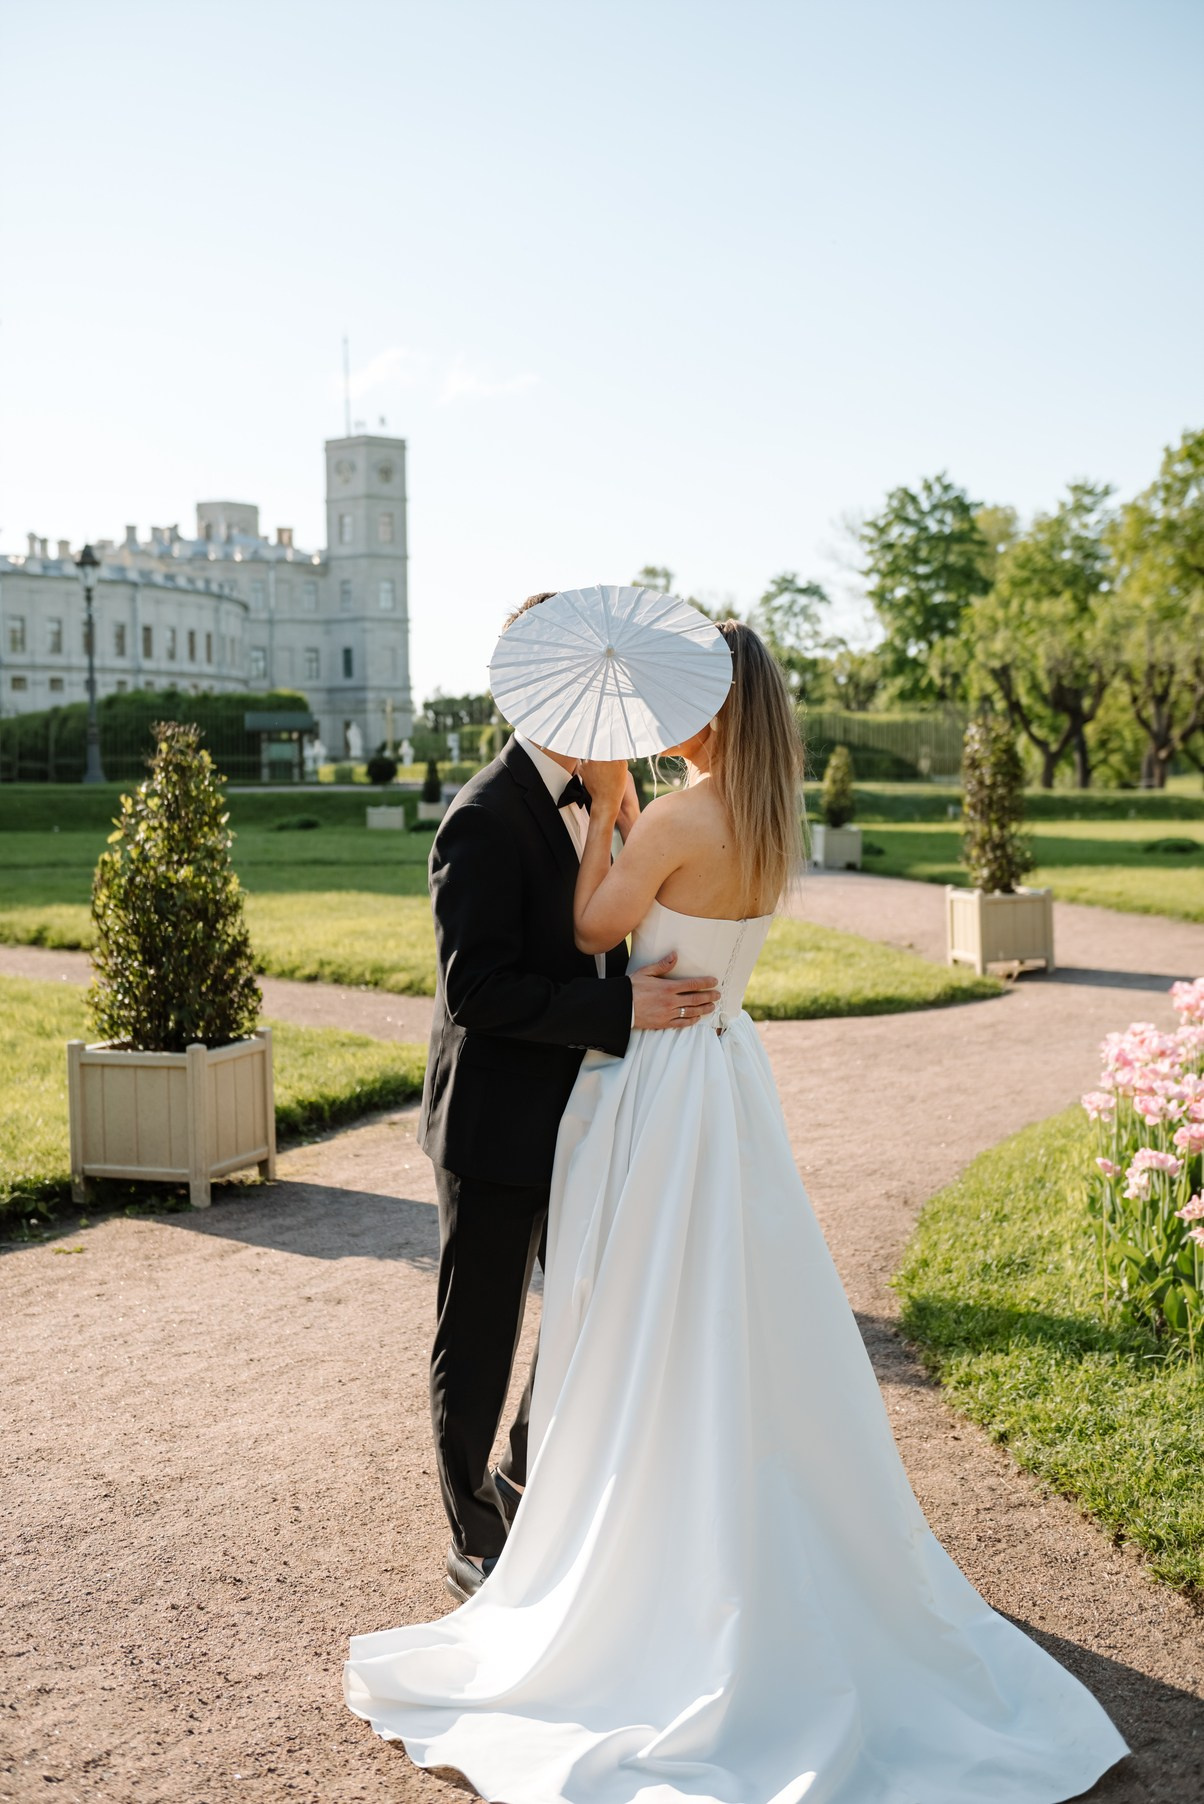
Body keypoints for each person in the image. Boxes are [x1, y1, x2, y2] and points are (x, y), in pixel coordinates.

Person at [348, 619, 1128, 1803]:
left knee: (628, 1307)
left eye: (680, 695)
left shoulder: (666, 814)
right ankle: (560, 1514)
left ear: (712, 711)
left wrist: (612, 815)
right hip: (720, 1077)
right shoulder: (769, 820)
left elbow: (590, 932)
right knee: (716, 1306)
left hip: (649, 1089)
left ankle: (600, 1548)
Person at [416, 591, 722, 1605]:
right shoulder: (482, 814)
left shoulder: (612, 797)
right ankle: (475, 1528)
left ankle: (526, 1472)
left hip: (590, 1114)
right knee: (483, 1327)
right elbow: (478, 991)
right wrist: (615, 1009)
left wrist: (621, 818)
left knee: (586, 1312)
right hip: (497, 1123)